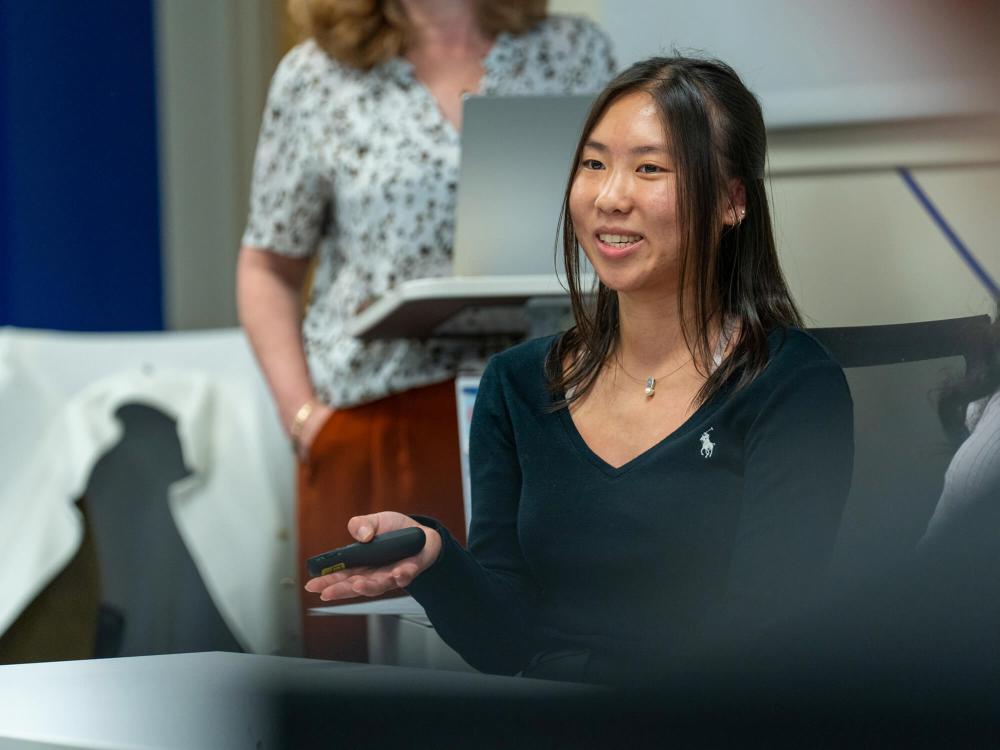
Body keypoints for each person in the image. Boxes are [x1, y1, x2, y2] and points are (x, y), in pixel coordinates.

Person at [304, 56, 855, 682]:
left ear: (732, 202)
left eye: (650, 168)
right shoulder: (515, 385)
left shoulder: (791, 385)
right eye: (593, 164)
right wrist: (434, 558)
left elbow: (766, 635)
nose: (609, 197)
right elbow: (505, 641)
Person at [237, 0, 616, 661]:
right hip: (378, 421)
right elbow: (268, 266)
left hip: (554, 406)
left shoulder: (573, 51)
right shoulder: (317, 74)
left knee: (548, 655)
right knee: (377, 685)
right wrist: (305, 419)